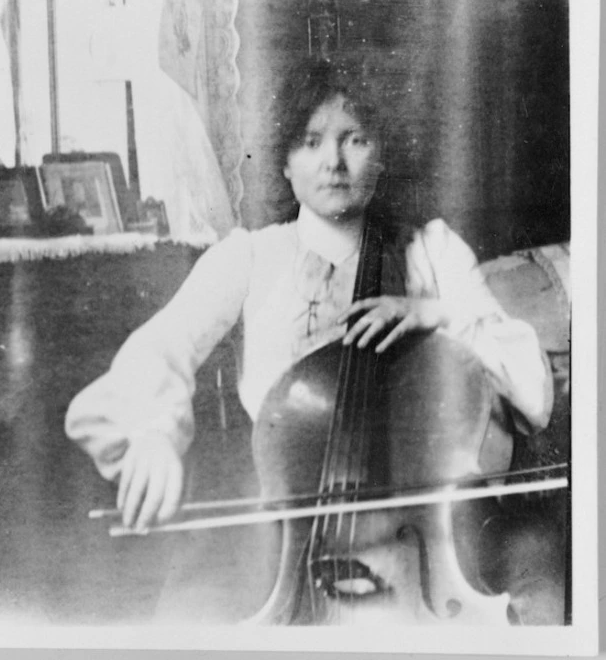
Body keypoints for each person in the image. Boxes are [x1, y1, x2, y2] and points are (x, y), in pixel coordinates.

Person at [65, 55, 559, 623]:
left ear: (383, 154)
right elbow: (161, 346)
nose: (333, 162)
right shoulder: (249, 257)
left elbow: (531, 388)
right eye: (310, 141)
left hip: (424, 538)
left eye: (355, 139)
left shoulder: (433, 250)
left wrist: (435, 313)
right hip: (287, 535)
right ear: (284, 162)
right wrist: (152, 433)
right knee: (189, 619)